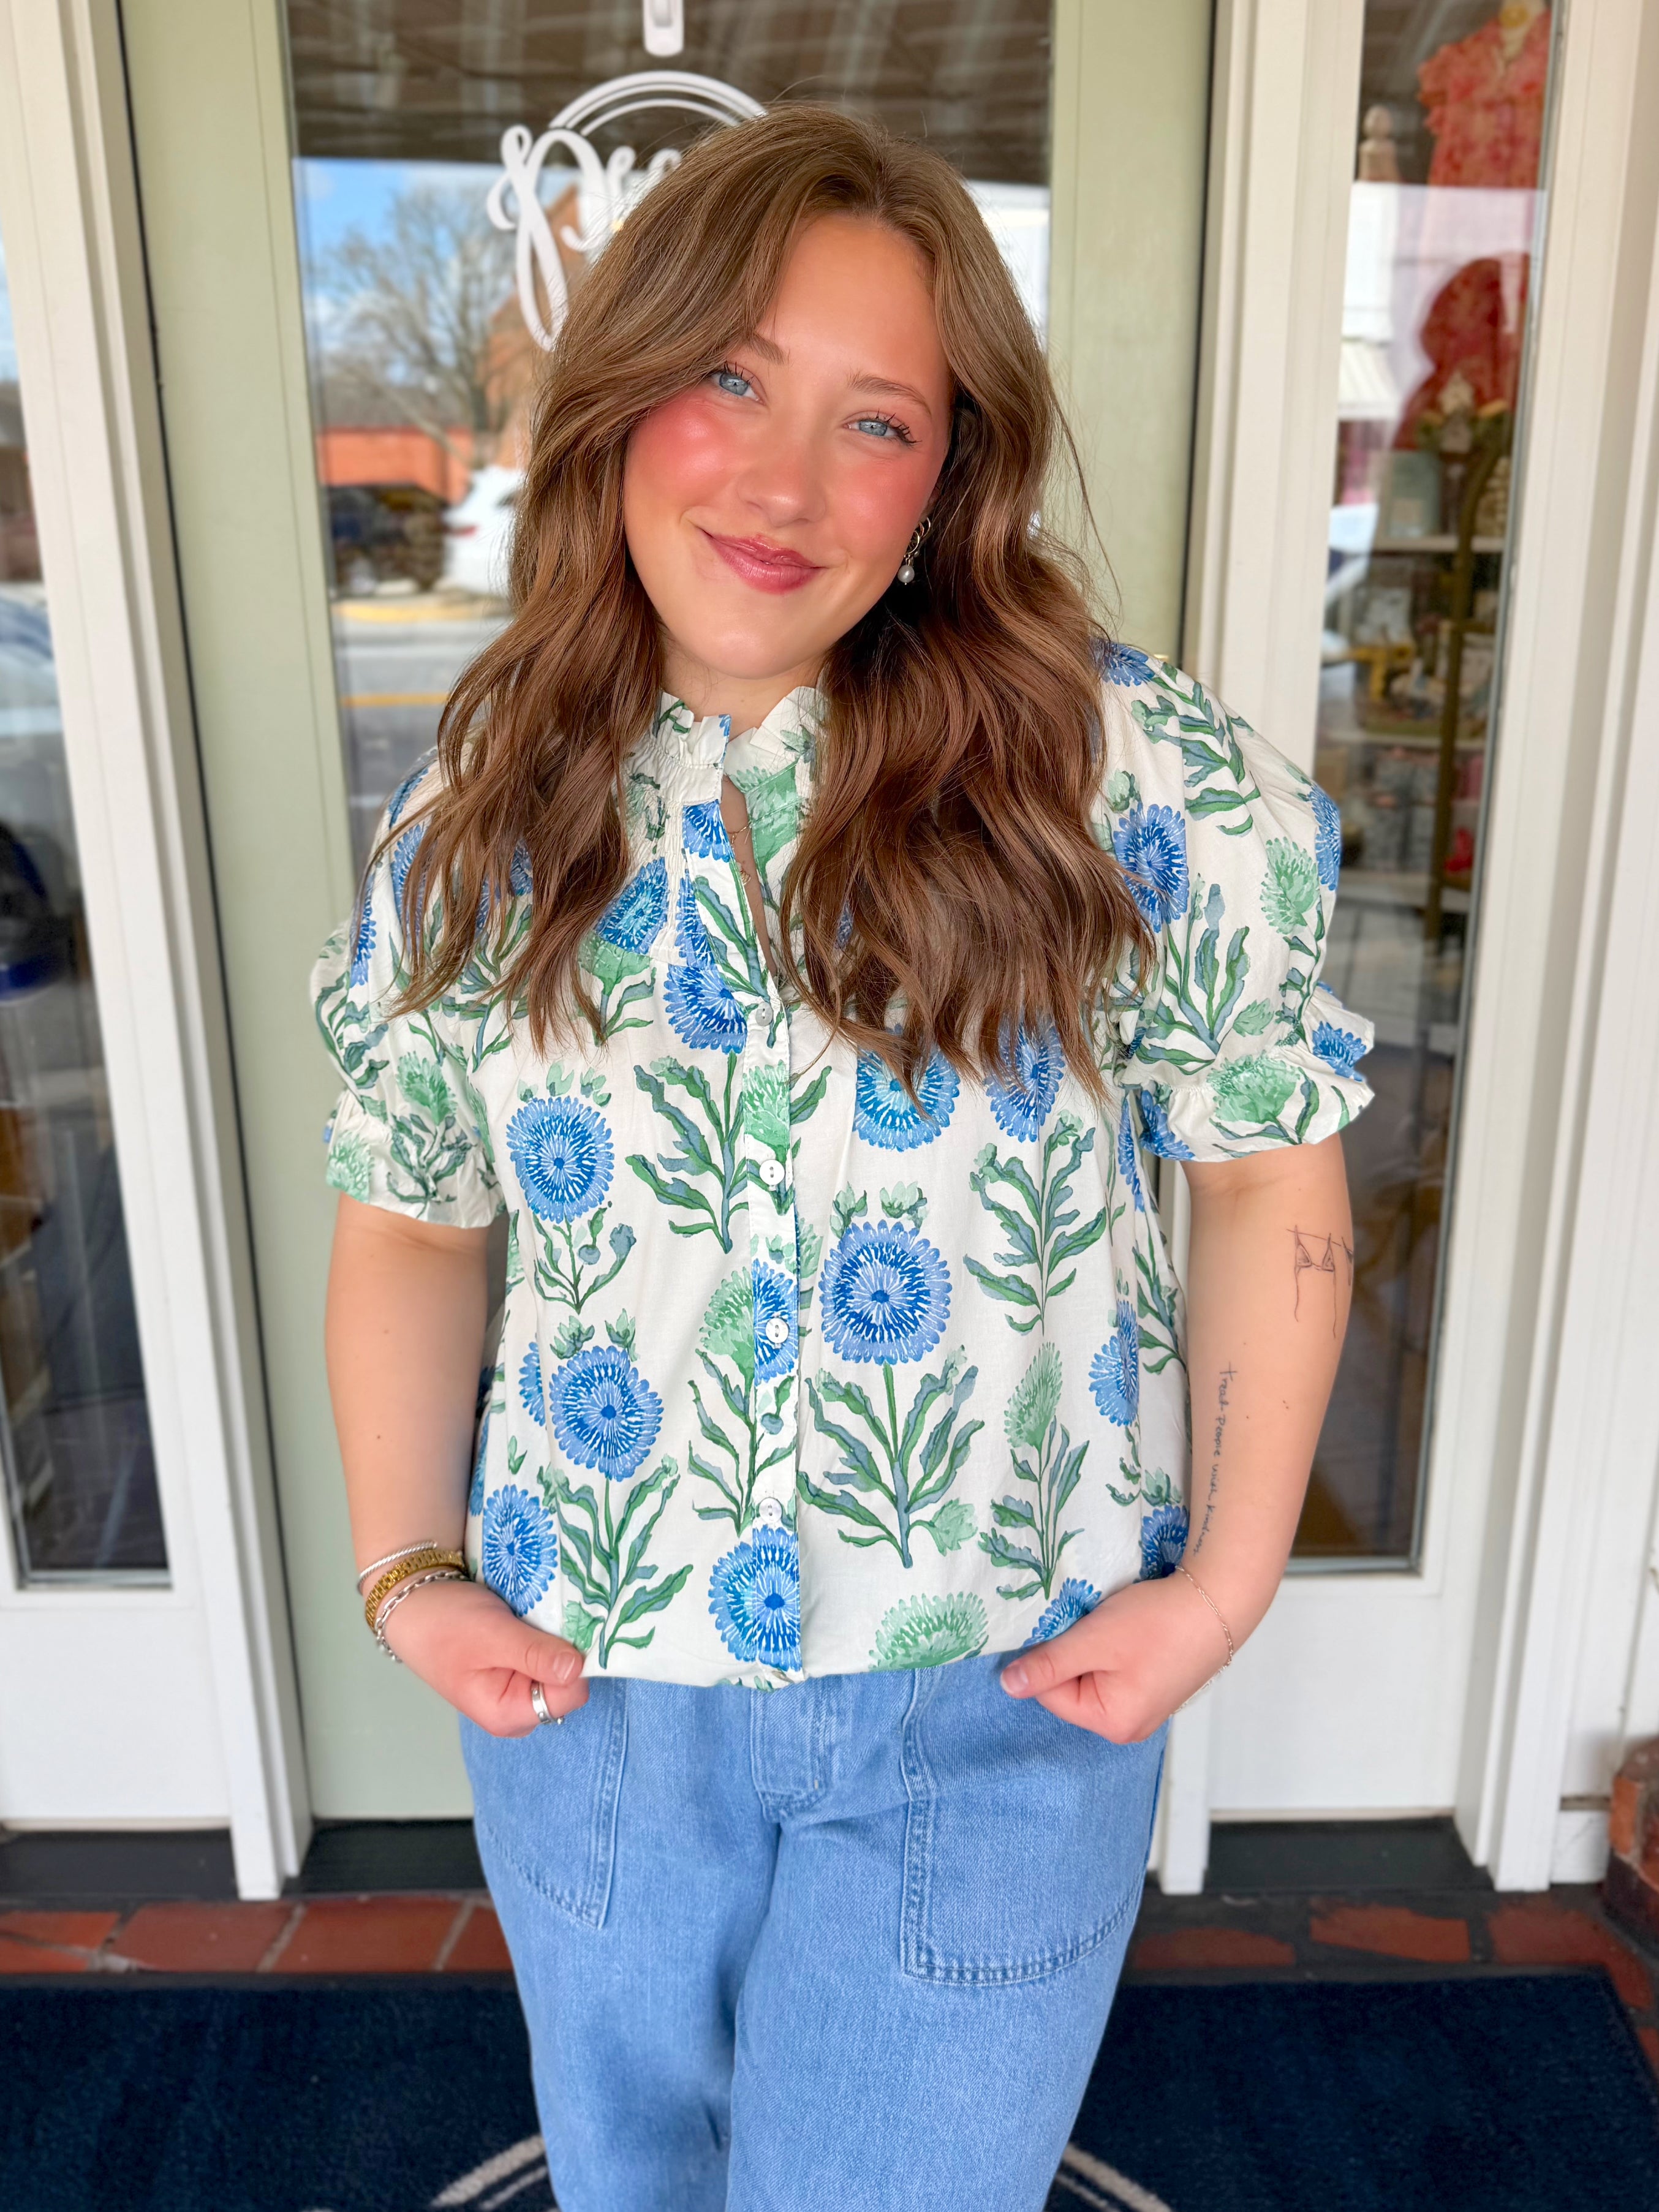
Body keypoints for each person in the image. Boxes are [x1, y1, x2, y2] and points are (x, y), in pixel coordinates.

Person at [314, 105, 1370, 2212]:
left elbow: (1263, 1171)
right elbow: (414, 1213)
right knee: (638, 2184)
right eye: (728, 378)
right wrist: (408, 1570)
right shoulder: (486, 802)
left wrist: (1222, 1587)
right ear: (621, 395)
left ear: (948, 476)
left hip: (993, 1696)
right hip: (591, 1700)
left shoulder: (1112, 769)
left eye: (874, 418)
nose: (782, 480)